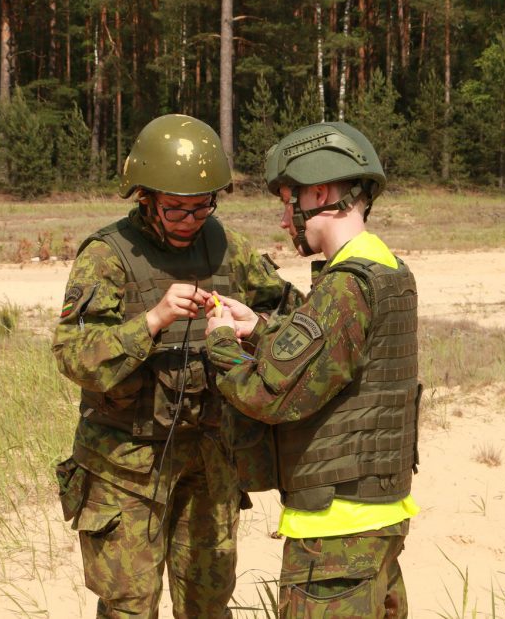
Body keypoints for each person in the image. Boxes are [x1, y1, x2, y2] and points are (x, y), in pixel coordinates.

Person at [52, 113, 299, 618]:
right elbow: (74, 355)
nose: (191, 221)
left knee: (208, 604)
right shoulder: (107, 257)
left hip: (210, 458)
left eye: (202, 207)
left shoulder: (228, 246)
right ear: (144, 197)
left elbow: (293, 313)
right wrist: (153, 321)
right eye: (175, 210)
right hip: (126, 464)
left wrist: (252, 322)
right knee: (129, 607)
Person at [204, 121, 422, 618]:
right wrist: (258, 329)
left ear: (320, 193)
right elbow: (337, 363)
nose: (285, 220)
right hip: (376, 521)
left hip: (335, 534)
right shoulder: (386, 268)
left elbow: (271, 396)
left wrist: (221, 342)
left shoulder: (345, 286)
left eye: (288, 202)